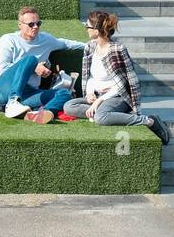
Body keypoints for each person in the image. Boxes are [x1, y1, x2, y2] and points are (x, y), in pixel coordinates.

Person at [63, 10, 170, 142]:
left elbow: (125, 83)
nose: (86, 29)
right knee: (68, 106)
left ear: (96, 31)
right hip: (98, 95)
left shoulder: (117, 50)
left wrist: (100, 101)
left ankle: (150, 121)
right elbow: (89, 76)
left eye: (87, 26)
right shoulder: (90, 47)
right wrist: (90, 93)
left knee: (100, 118)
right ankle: (111, 114)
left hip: (118, 96)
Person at [0, 6, 86, 122]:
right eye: (31, 24)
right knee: (30, 60)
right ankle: (12, 102)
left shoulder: (46, 39)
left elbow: (65, 43)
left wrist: (90, 45)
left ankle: (42, 113)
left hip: (28, 93)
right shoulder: (8, 40)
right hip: (2, 90)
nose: (35, 27)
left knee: (64, 93)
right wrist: (33, 68)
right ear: (20, 25)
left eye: (38, 23)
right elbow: (2, 69)